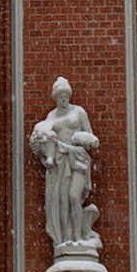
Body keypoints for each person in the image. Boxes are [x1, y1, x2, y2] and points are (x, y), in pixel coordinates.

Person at [30, 77, 100, 248]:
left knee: (73, 196)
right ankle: (65, 238)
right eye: (60, 96)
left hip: (78, 158)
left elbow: (89, 135)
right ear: (55, 98)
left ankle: (78, 236)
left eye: (65, 96)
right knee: (61, 200)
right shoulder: (51, 116)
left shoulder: (79, 112)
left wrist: (83, 139)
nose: (63, 99)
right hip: (61, 161)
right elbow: (42, 138)